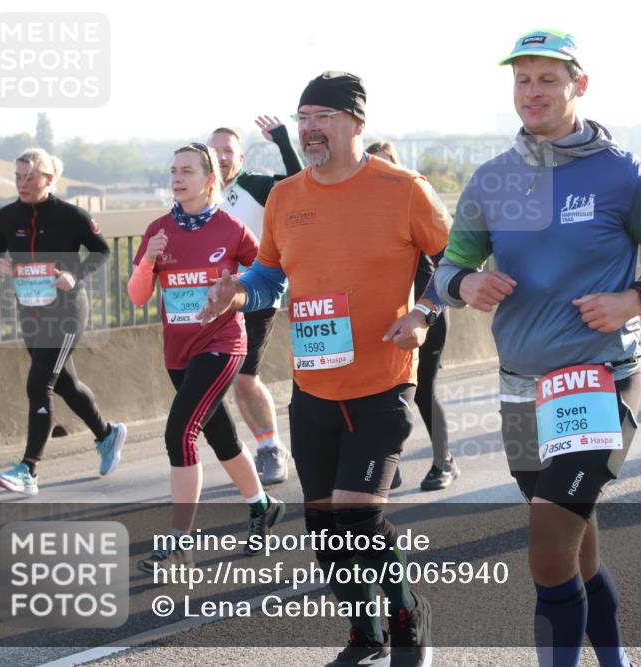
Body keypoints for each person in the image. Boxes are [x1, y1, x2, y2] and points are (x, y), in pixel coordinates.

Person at [434, 30, 641, 667]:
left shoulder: (621, 172)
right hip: (521, 390)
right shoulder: (493, 179)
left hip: (598, 381)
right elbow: (446, 268)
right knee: (577, 548)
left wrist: (635, 299)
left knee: (548, 545)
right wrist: (468, 281)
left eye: (547, 79)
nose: (532, 91)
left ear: (579, 85)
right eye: (523, 80)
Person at [199, 72, 449, 667]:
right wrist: (238, 290)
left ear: (356, 123)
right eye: (304, 117)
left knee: (358, 513)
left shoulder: (405, 189)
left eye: (325, 117)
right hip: (313, 386)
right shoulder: (286, 197)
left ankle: (410, 618)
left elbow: (456, 259)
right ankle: (366, 633)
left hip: (383, 382)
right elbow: (270, 276)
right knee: (326, 531)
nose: (311, 129)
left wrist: (424, 311)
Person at [128, 143, 284, 572]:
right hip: (178, 352)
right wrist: (149, 262)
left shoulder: (231, 229)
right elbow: (139, 295)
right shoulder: (159, 230)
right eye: (173, 170)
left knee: (180, 433)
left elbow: (268, 277)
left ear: (209, 178)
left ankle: (178, 541)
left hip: (222, 345)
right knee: (222, 437)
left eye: (187, 171)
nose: (177, 178)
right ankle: (262, 505)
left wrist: (235, 294)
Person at [0, 148, 126, 497]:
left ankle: (28, 469)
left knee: (38, 385)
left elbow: (101, 250)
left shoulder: (72, 215)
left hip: (66, 313)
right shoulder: (5, 217)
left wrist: (73, 274)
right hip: (29, 311)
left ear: (49, 178)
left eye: (29, 177)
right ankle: (107, 434)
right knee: (64, 383)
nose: (22, 183)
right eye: (18, 176)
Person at [209, 117, 304, 485]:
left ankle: (271, 449)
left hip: (257, 293)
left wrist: (281, 140)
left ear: (241, 157)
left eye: (227, 151)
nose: (220, 157)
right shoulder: (204, 196)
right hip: (217, 299)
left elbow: (300, 184)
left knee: (246, 378)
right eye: (213, 151)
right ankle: (245, 452)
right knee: (227, 381)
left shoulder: (258, 186)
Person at [366, 140, 459, 492]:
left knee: (421, 391)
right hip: (385, 318)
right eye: (374, 165)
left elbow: (450, 260)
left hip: (425, 312)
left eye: (387, 165)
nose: (381, 172)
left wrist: (426, 310)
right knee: (381, 394)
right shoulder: (360, 214)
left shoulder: (412, 201)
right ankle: (390, 463)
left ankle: (444, 462)